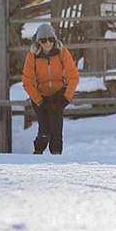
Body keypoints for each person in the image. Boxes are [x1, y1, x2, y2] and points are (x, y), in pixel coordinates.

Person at [22, 23, 80, 155]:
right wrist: (39, 101)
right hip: (40, 96)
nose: (48, 43)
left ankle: (56, 155)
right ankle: (38, 152)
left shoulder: (62, 53)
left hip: (58, 95)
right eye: (43, 40)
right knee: (44, 130)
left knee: (56, 129)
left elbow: (73, 77)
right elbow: (27, 81)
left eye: (51, 39)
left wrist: (66, 98)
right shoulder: (32, 56)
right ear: (38, 42)